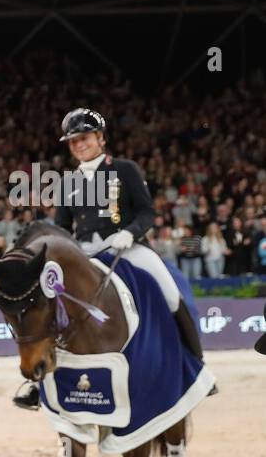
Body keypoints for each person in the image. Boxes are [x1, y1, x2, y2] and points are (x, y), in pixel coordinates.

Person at [13, 107, 205, 409]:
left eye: (84, 138)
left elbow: (147, 212)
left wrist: (129, 232)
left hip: (128, 247)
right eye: (73, 141)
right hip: (84, 252)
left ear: (101, 138)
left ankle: (196, 366)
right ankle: (36, 381)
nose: (78, 145)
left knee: (169, 292)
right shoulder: (67, 181)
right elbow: (62, 227)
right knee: (45, 299)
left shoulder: (125, 169)